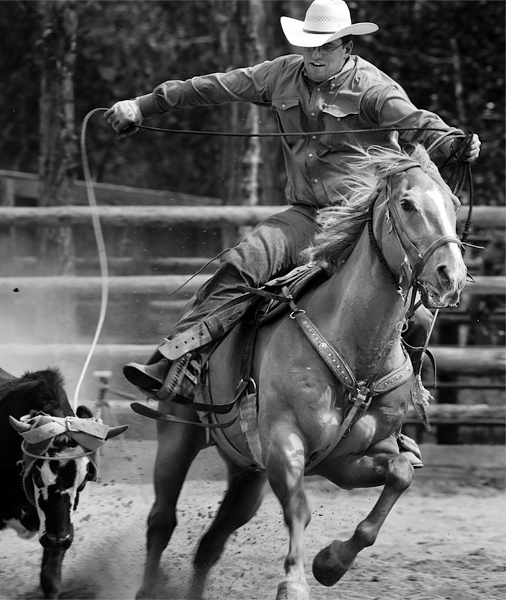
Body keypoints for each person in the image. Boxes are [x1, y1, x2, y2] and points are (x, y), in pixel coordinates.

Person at [105, 0, 481, 404]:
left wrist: (451, 142)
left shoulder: (374, 89)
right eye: (310, 45)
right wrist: (143, 105)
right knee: (244, 260)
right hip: (304, 217)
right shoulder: (279, 75)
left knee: (416, 316)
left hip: (361, 226)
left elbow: (415, 121)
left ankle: (399, 404)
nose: (316, 54)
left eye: (327, 46)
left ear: (347, 47)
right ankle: (180, 361)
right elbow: (213, 86)